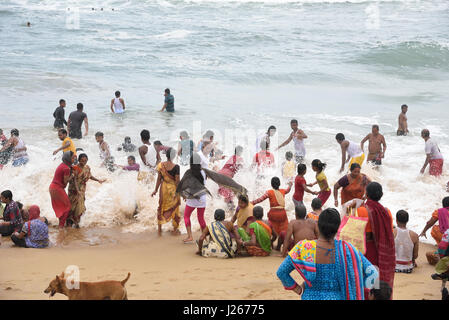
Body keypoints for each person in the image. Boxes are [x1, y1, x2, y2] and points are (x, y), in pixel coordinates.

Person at [276, 208, 378, 300]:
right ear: (337, 228)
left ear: (318, 225)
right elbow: (374, 273)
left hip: (310, 297)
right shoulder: (348, 250)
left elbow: (281, 272)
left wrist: (298, 289)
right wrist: (356, 285)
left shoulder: (303, 248)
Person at [363, 182, 396, 298]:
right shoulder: (386, 211)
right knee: (378, 279)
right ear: (381, 194)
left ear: (366, 194)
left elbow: (351, 231)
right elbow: (389, 233)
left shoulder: (362, 210)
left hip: (367, 250)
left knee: (367, 281)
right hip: (382, 251)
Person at [251, 177, 292, 250]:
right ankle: (280, 247)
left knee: (271, 231)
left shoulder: (269, 192)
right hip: (283, 213)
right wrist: (290, 185)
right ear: (279, 184)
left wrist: (252, 203)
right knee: (284, 231)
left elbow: (260, 199)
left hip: (273, 214)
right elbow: (288, 190)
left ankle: (271, 243)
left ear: (271, 184)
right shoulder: (283, 191)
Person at [67, 153, 105, 228]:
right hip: (74, 190)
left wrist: (98, 180)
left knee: (80, 207)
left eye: (85, 160)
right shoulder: (75, 168)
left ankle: (77, 223)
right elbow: (74, 180)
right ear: (78, 160)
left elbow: (90, 176)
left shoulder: (87, 167)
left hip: (82, 190)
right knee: (73, 207)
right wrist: (77, 190)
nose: (84, 162)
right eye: (82, 160)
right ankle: (69, 224)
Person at [178, 153, 208, 243]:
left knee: (187, 216)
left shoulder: (189, 172)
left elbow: (185, 185)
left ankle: (190, 236)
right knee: (201, 218)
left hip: (192, 199)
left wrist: (184, 195)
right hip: (202, 197)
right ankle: (204, 237)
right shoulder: (203, 172)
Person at [151, 148, 181, 236]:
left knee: (161, 207)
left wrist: (155, 190)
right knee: (175, 208)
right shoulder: (176, 167)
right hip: (173, 190)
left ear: (166, 155)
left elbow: (159, 179)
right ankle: (175, 230)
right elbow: (177, 182)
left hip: (163, 189)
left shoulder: (161, 165)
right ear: (174, 156)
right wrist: (181, 193)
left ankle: (159, 230)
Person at [49, 151, 76, 229]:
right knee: (67, 206)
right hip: (57, 188)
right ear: (68, 158)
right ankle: (61, 226)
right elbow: (65, 181)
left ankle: (61, 224)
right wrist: (73, 175)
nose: (74, 159)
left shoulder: (62, 165)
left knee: (61, 207)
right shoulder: (66, 168)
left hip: (53, 187)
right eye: (72, 158)